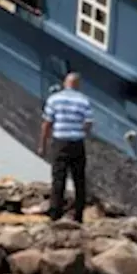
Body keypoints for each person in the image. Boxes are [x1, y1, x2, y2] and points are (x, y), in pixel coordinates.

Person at [38, 72, 94, 222]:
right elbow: (88, 123)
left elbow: (47, 124)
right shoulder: (84, 101)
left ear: (65, 83)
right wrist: (81, 131)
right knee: (79, 179)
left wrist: (42, 145)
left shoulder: (54, 99)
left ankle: (55, 214)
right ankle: (78, 215)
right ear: (78, 85)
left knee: (58, 178)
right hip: (76, 142)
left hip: (60, 142)